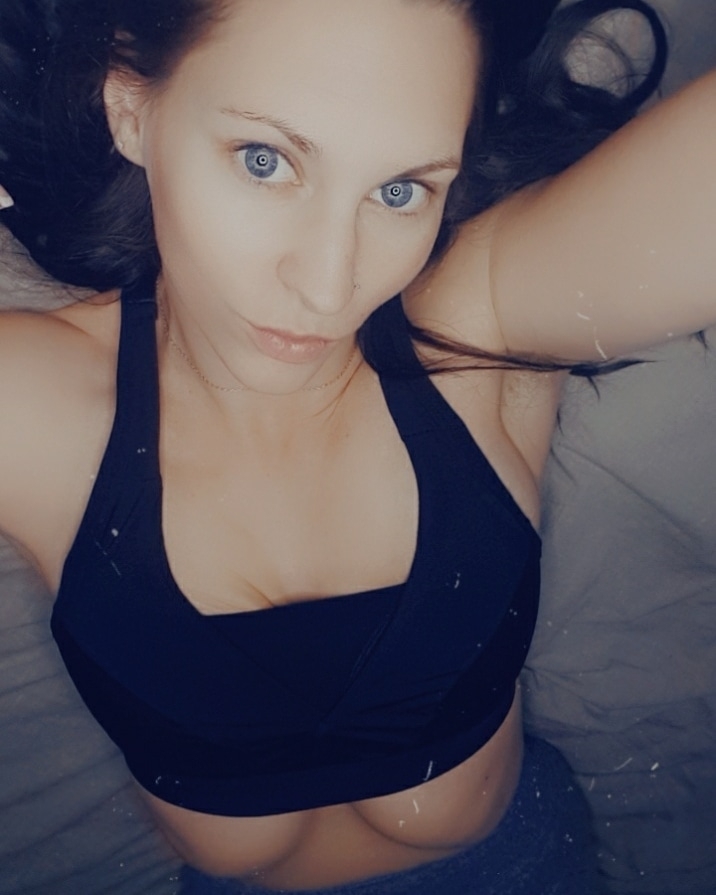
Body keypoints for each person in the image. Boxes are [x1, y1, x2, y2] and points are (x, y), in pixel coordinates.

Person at [0, 1, 713, 893]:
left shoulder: (478, 321)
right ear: (131, 108)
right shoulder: (29, 398)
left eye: (400, 190)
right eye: (265, 160)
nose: (330, 283)